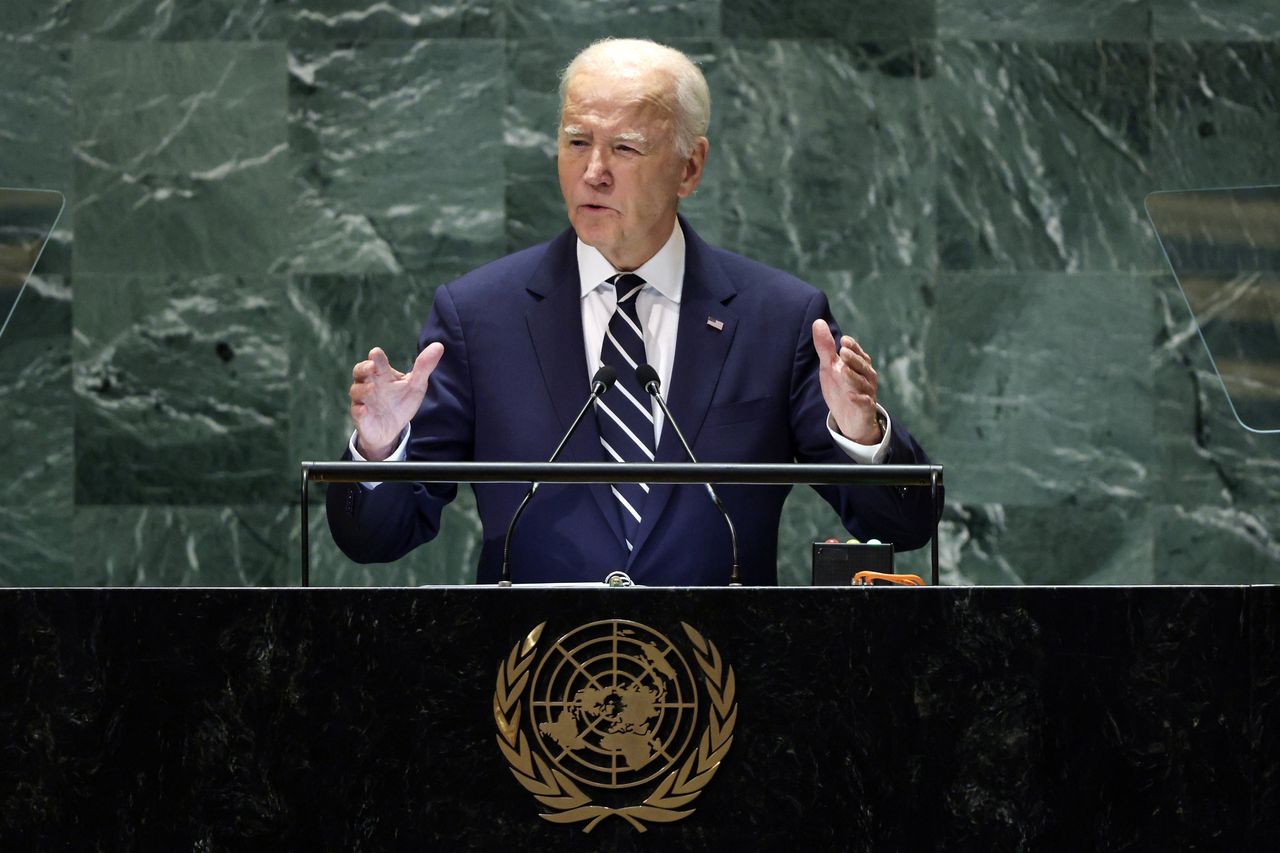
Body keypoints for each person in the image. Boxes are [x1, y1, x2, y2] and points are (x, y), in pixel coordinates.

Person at [327, 38, 937, 585]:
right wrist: (379, 451)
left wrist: (862, 437)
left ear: (689, 167)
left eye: (624, 148)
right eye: (576, 143)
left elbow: (905, 525)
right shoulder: (480, 315)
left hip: (720, 681)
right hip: (531, 678)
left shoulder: (777, 318)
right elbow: (377, 539)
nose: (593, 172)